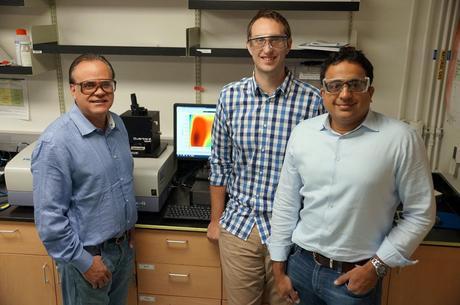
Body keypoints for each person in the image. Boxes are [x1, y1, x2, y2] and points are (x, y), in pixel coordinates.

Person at [268, 46, 436, 305]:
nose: (344, 94)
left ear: (370, 91)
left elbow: (421, 213)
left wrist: (376, 267)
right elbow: (286, 203)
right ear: (323, 92)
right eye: (335, 85)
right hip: (300, 266)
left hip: (354, 277)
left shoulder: (401, 139)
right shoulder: (303, 133)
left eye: (355, 84)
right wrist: (279, 269)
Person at [207, 10, 324, 305]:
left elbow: (320, 171)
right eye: (259, 40)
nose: (267, 48)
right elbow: (220, 162)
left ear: (288, 44)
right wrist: (215, 220)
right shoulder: (229, 97)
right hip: (239, 229)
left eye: (275, 40)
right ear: (249, 46)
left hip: (291, 234)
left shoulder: (313, 101)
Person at [32, 53, 137, 305]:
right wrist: (84, 262)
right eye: (88, 85)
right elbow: (49, 220)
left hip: (121, 249)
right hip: (88, 257)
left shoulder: (117, 125)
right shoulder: (56, 143)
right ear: (73, 90)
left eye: (105, 84)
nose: (99, 92)